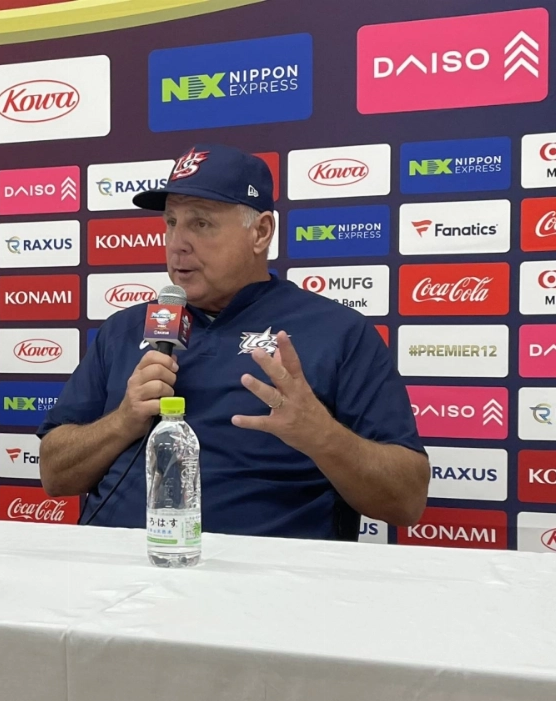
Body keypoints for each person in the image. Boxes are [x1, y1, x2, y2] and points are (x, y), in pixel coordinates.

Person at [37, 144, 429, 540]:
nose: (177, 243)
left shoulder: (337, 331)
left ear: (260, 232)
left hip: (267, 573)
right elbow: (55, 476)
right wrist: (123, 420)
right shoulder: (123, 329)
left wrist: (322, 436)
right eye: (171, 222)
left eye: (201, 223)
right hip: (114, 565)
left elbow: (406, 501)